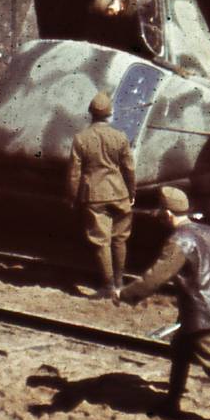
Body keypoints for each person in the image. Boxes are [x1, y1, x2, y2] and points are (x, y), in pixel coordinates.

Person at [118, 187, 210, 420]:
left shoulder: (179, 240)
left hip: (201, 313)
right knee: (180, 352)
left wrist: (126, 294)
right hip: (202, 310)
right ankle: (172, 403)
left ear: (168, 213)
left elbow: (156, 276)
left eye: (161, 212)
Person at [67, 91, 136, 300]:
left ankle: (107, 286)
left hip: (94, 195)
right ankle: (120, 282)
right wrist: (131, 192)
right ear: (110, 114)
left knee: (101, 241)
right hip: (120, 193)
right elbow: (129, 169)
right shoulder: (120, 137)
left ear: (91, 114)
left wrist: (72, 197)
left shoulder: (81, 139)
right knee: (120, 239)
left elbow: (74, 173)